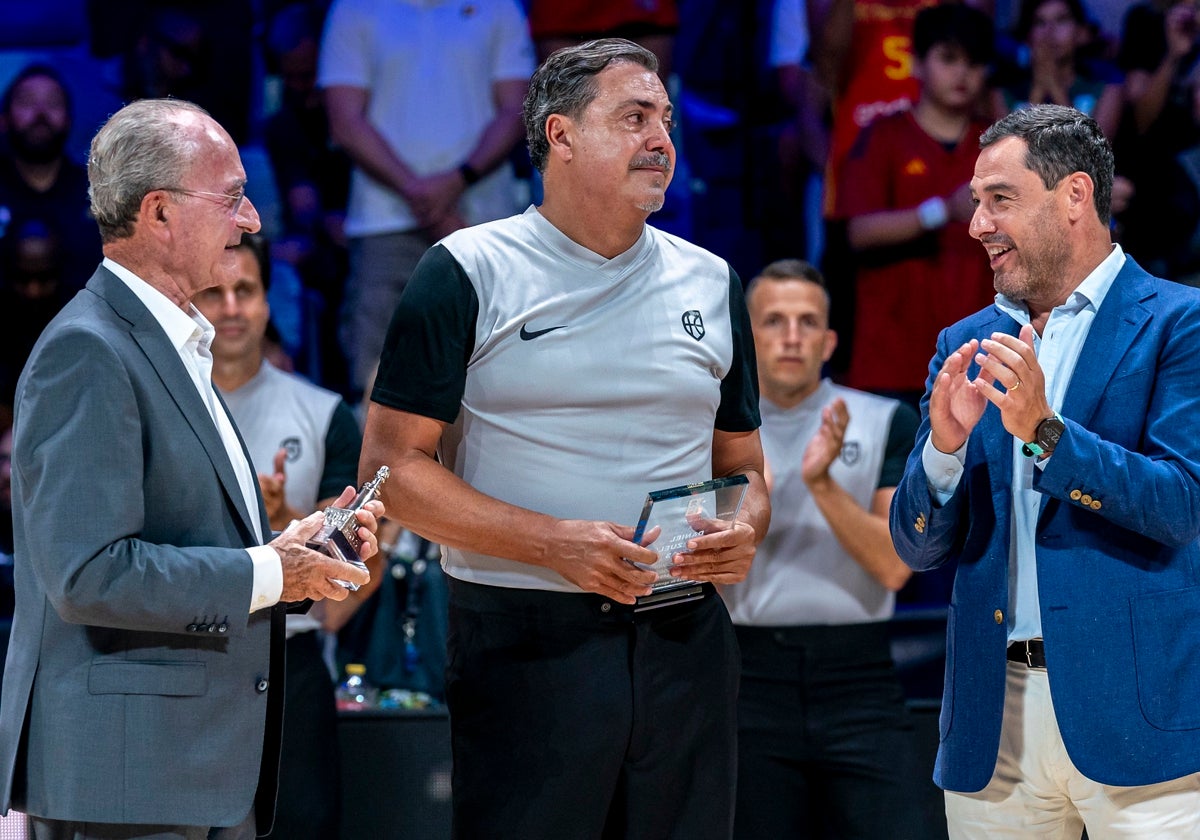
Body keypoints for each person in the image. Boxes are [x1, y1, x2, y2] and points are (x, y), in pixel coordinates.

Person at [359, 38, 769, 840]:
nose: (661, 139)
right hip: (523, 639)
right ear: (560, 135)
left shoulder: (712, 279)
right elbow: (391, 470)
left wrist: (746, 525)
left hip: (685, 639)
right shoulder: (465, 269)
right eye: (633, 117)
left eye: (666, 120)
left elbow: (745, 466)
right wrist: (553, 543)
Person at [0, 98, 381, 840]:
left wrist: (295, 555)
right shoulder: (88, 351)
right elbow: (88, 573)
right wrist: (271, 574)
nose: (252, 221)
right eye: (232, 196)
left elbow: (189, 537)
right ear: (160, 213)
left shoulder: (169, 343)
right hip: (127, 783)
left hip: (191, 777)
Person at [890, 103, 1200, 837]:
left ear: (1075, 197)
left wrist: (1045, 434)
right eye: (975, 203)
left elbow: (1183, 503)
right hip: (992, 728)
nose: (977, 225)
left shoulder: (1179, 322)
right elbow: (917, 547)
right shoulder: (964, 342)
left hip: (1142, 720)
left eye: (1000, 199)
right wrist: (942, 448)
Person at [724, 259, 921, 839]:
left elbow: (893, 564)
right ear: (745, 332)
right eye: (774, 320)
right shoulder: (708, 427)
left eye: (808, 322)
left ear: (829, 340)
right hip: (745, 678)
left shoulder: (885, 419)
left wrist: (821, 484)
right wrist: (756, 500)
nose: (791, 336)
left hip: (859, 678)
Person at [192, 232, 373, 840]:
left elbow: (344, 553)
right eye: (215, 293)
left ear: (270, 300)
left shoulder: (322, 413)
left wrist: (288, 513)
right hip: (190, 649)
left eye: (246, 290)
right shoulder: (165, 408)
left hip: (289, 656)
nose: (233, 308)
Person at [318, 0, 535, 395]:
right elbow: (345, 122)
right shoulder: (353, 9)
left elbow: (518, 111)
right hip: (383, 222)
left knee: (497, 378)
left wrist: (453, 182)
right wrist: (424, 194)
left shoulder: (499, 7)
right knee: (377, 380)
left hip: (484, 220)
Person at [837, 2, 997, 408]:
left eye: (974, 63)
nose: (962, 74)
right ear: (917, 64)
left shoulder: (999, 145)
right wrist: (941, 210)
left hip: (979, 360)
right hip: (891, 361)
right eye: (948, 59)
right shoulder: (882, 137)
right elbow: (859, 231)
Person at [0, 63, 101, 296]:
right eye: (27, 102)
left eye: (53, 103)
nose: (40, 113)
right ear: (3, 119)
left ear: (69, 120)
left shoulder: (99, 194)